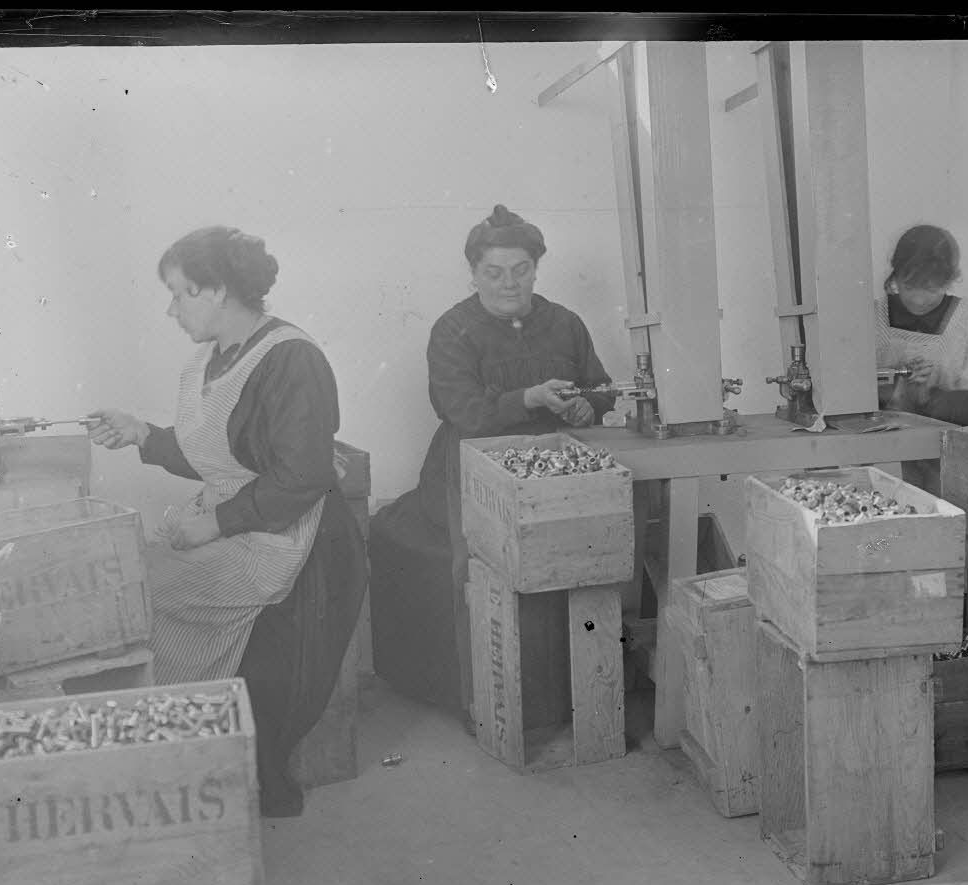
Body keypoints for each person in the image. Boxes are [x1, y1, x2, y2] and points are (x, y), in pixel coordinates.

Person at [89, 226, 366, 818]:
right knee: (137, 581)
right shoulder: (209, 361)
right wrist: (142, 433)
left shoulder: (292, 358)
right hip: (241, 521)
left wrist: (214, 524)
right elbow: (217, 454)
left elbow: (302, 477)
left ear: (216, 289)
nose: (171, 310)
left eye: (179, 293)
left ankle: (204, 769)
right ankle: (182, 760)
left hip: (297, 537)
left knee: (150, 592)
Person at [371, 205, 616, 732]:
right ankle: (483, 699)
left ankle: (572, 693)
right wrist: (529, 397)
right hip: (468, 471)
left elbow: (600, 387)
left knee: (584, 555)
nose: (509, 283)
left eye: (521, 269)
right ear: (474, 274)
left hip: (551, 468)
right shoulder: (453, 329)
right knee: (478, 566)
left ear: (536, 268)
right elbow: (462, 412)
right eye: (494, 272)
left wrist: (586, 406)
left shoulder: (566, 323)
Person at [875, 224, 968, 495]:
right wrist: (893, 386)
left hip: (946, 459)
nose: (919, 300)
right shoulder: (872, 318)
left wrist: (927, 398)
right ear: (895, 276)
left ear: (950, 280)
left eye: (931, 289)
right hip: (884, 456)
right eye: (909, 286)